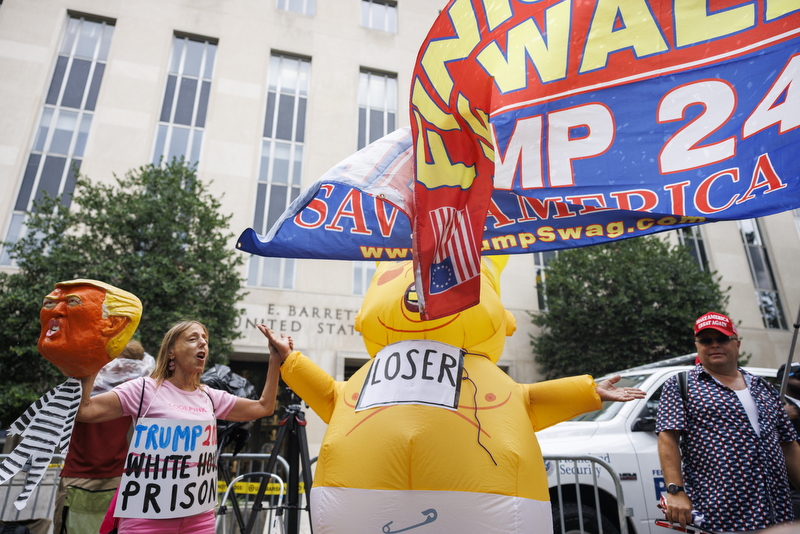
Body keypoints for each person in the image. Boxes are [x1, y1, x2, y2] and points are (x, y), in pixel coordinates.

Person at [76, 320, 287, 534]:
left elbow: (264, 406)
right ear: (171, 352)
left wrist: (274, 358)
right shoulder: (144, 390)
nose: (202, 343)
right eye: (193, 338)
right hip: (146, 517)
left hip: (198, 520)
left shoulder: (209, 396)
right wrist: (94, 357)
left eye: (205, 340)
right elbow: (85, 410)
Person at [657, 311, 800, 532]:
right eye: (706, 340)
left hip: (777, 514)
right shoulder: (680, 385)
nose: (714, 345)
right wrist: (676, 491)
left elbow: (788, 445)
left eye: (723, 339)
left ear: (737, 344)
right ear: (697, 346)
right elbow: (667, 438)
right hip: (721, 516)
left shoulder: (763, 387)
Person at [52, 340, 155, 534]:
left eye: (126, 368)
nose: (118, 373)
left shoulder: (134, 396)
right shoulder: (83, 382)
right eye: (115, 366)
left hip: (118, 476)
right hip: (78, 474)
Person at [777, 361, 800, 518]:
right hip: (790, 487)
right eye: (799, 375)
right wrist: (779, 416)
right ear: (784, 379)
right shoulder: (774, 405)